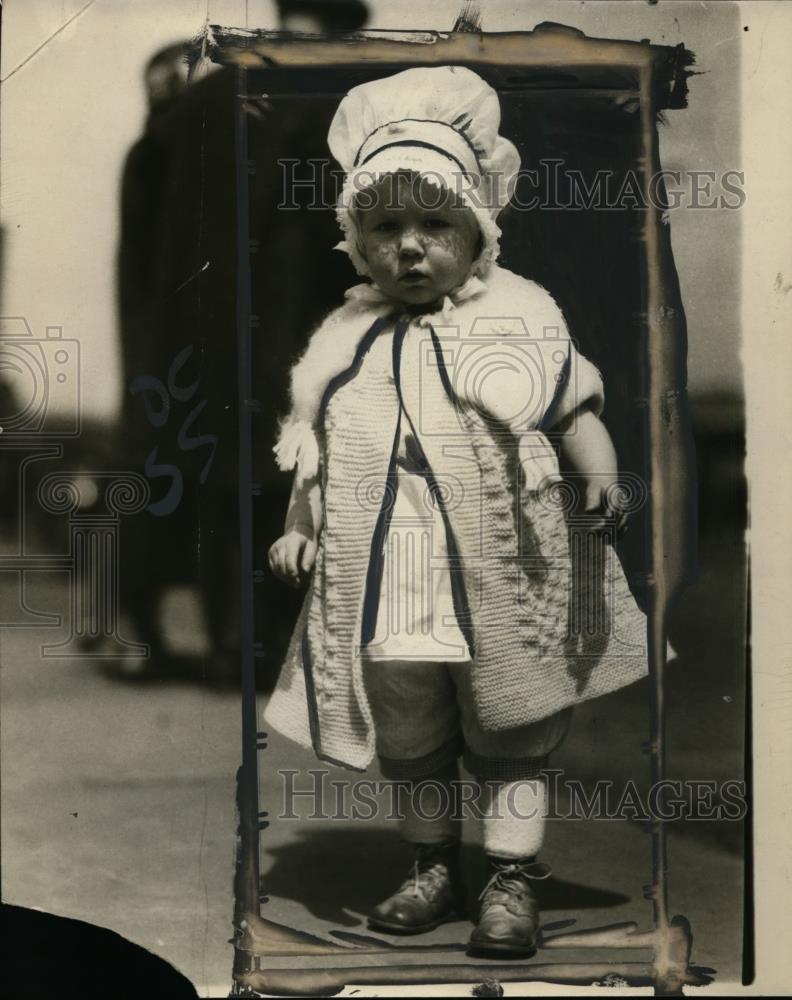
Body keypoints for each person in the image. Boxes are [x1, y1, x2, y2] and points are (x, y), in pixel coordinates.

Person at [266, 65, 650, 957]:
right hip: (389, 574)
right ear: (355, 244)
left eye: (435, 225)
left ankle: (512, 875)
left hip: (501, 564)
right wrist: (300, 528)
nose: (409, 247)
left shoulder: (517, 317)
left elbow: (573, 409)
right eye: (384, 227)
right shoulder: (342, 341)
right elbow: (317, 453)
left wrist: (602, 476)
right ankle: (431, 862)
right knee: (409, 718)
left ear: (479, 233)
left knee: (510, 720)